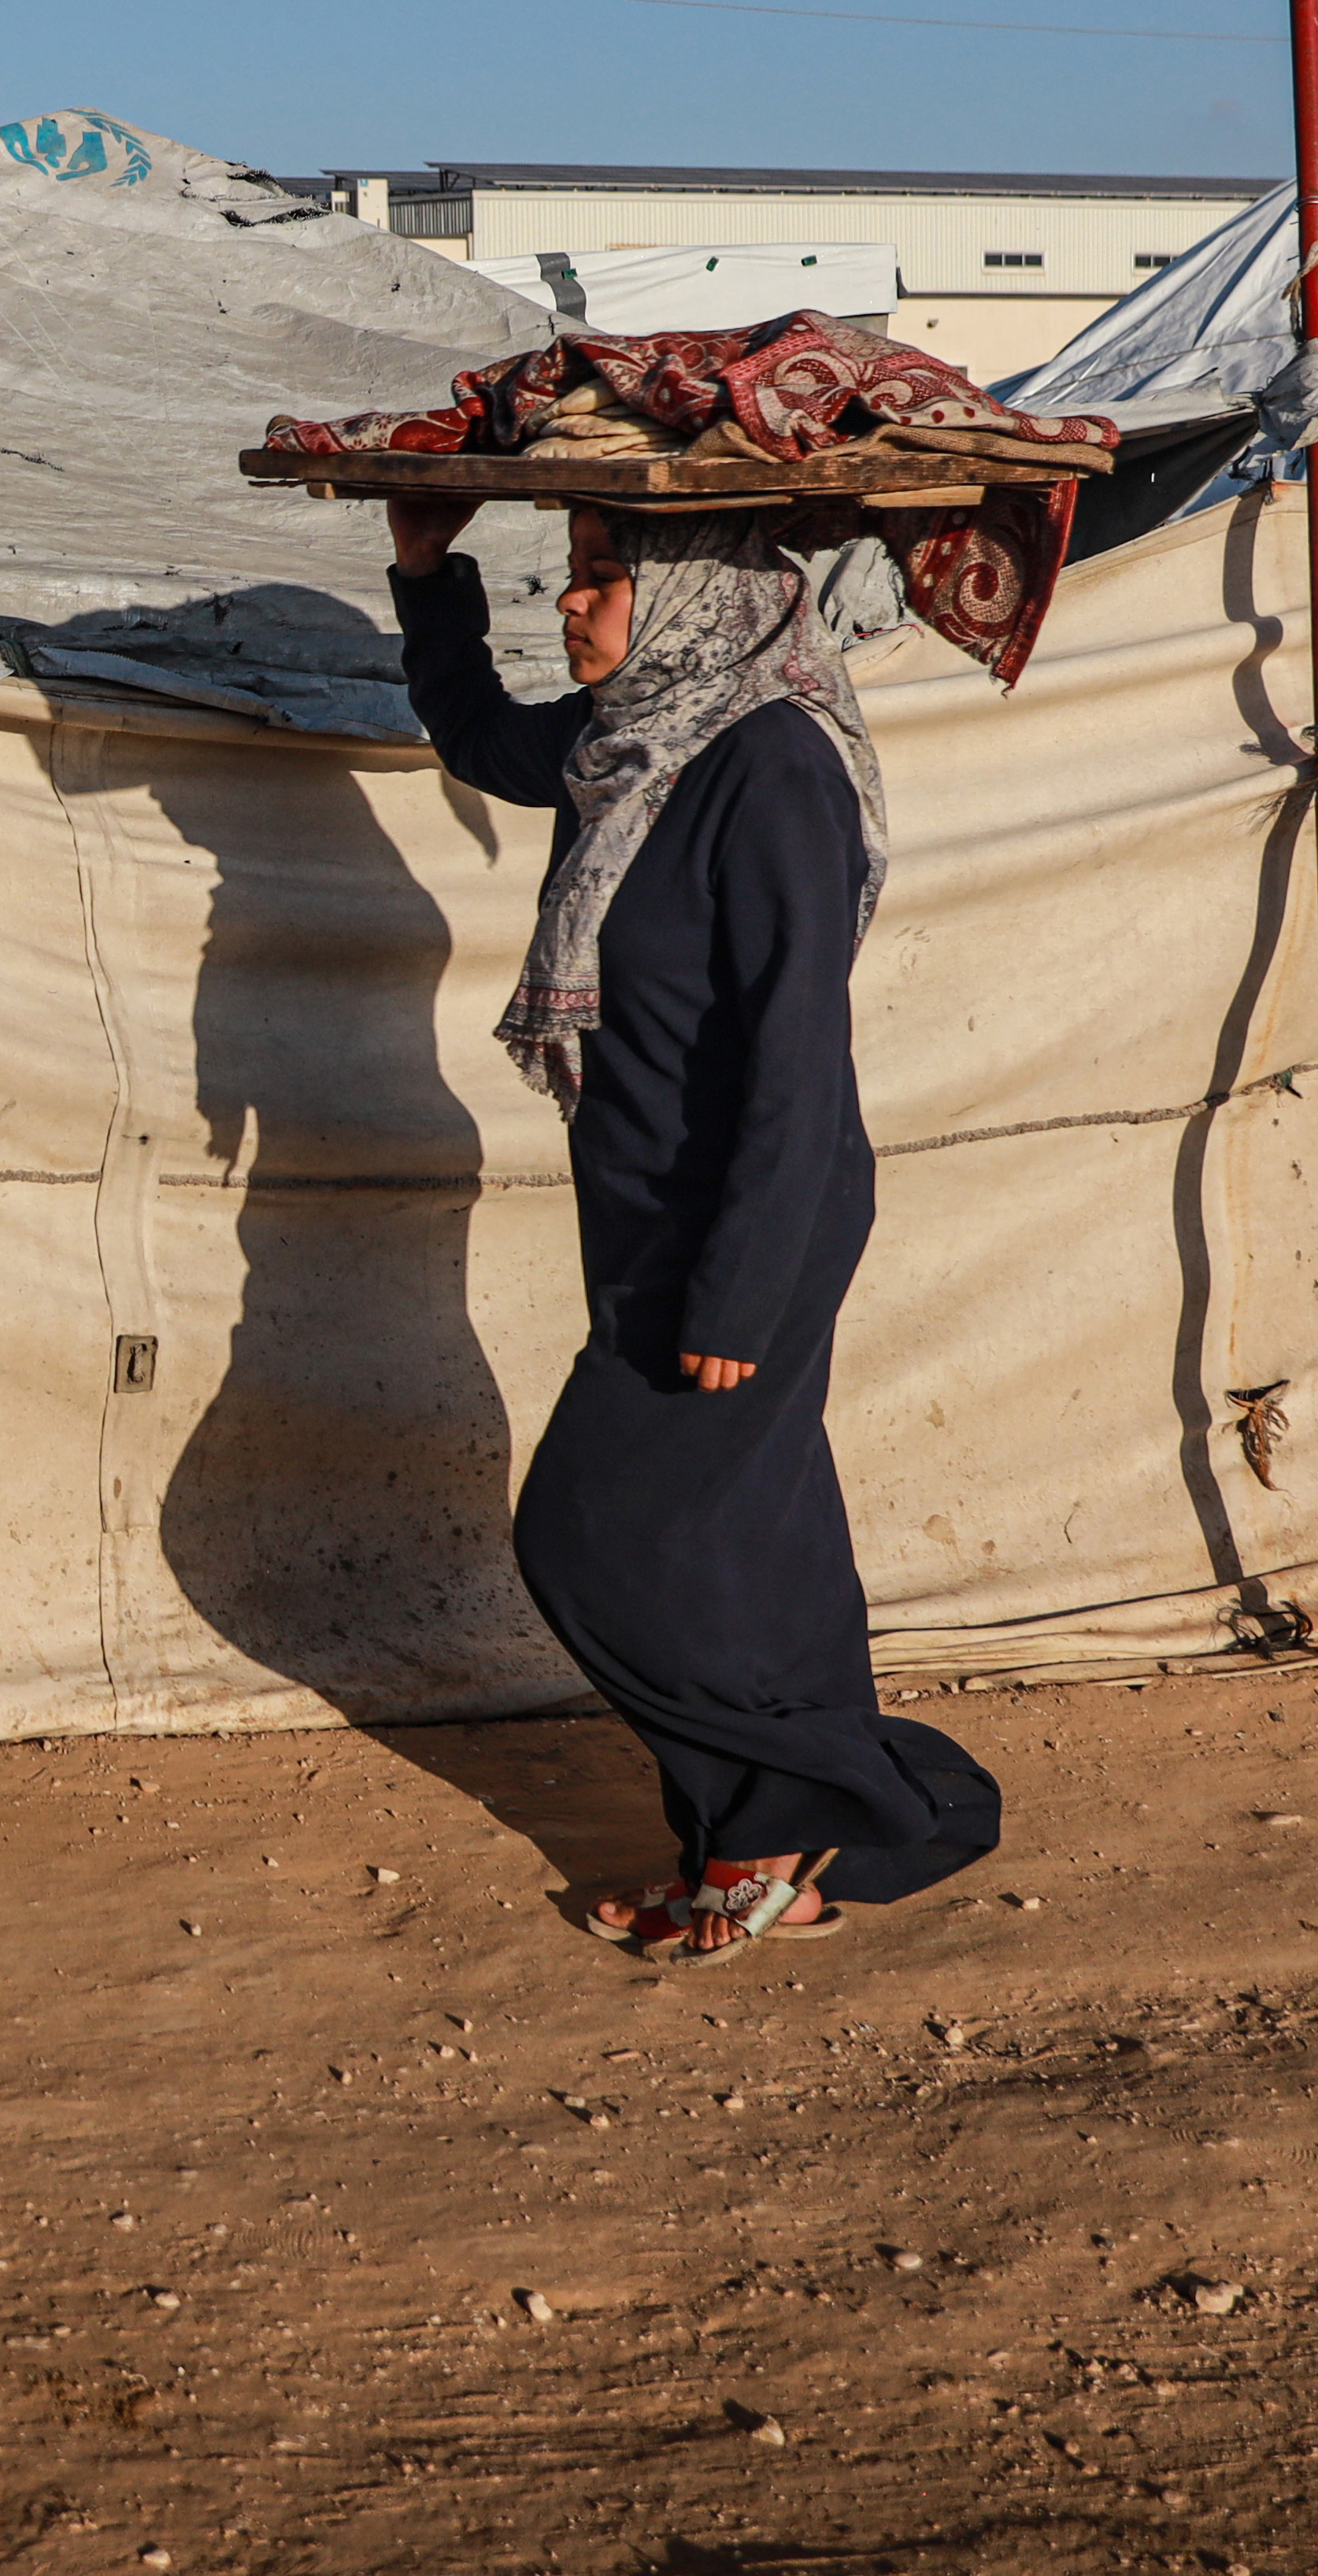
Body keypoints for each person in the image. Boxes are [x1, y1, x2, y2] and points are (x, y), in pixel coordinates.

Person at [387, 493, 1003, 1960]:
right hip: (649, 1203)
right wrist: (424, 570)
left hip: (752, 1216)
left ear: (684, 597)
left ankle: (803, 1805)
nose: (574, 605)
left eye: (603, 579)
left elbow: (796, 1057)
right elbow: (480, 742)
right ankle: (757, 1849)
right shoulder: (634, 744)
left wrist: (735, 1291)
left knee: (590, 1537)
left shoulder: (770, 764)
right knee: (756, 1537)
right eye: (580, 575)